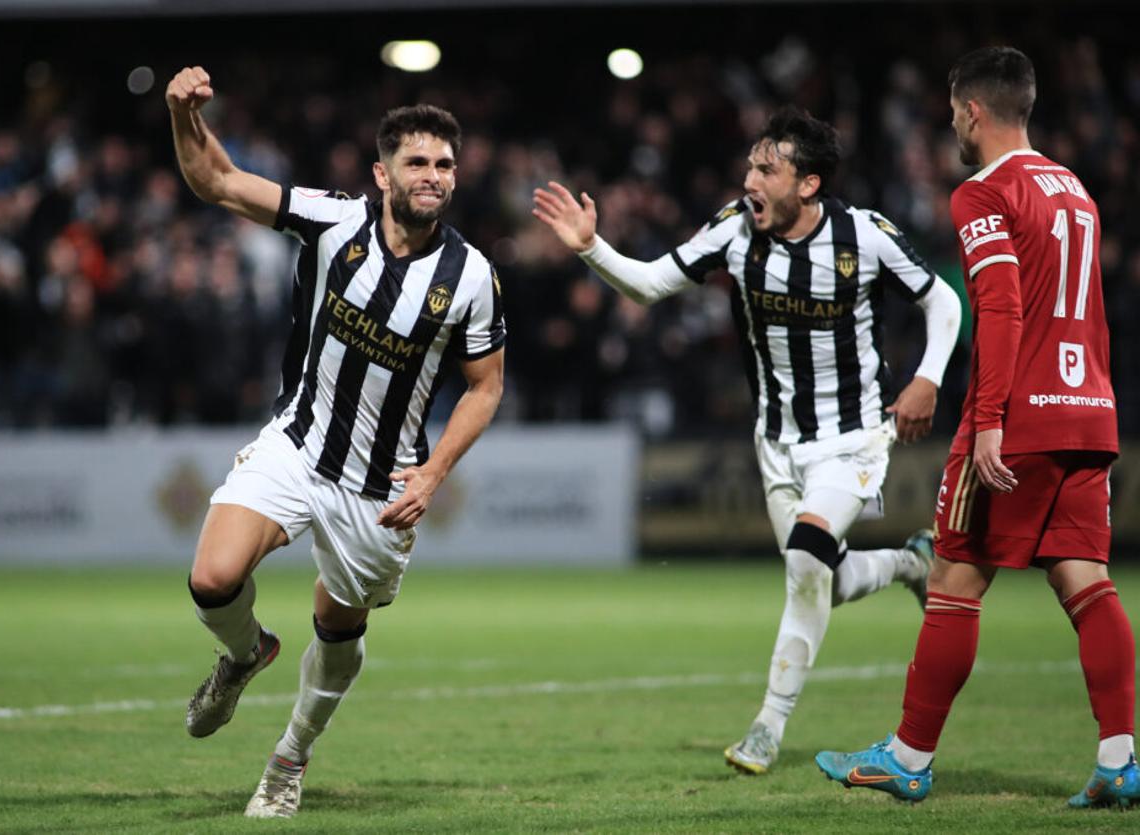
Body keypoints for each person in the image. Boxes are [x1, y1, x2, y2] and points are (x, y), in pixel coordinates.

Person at [533, 106, 962, 775]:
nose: (750, 178)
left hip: (852, 439)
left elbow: (944, 302)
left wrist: (927, 379)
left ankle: (768, 724)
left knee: (804, 560)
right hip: (776, 442)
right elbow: (648, 285)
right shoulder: (736, 231)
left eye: (768, 168)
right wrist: (592, 246)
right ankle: (909, 564)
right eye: (751, 164)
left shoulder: (864, 236)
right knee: (820, 573)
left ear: (809, 184)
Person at [166, 66, 505, 818]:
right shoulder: (334, 220)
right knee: (212, 580)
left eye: (445, 164)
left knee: (336, 626)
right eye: (418, 162)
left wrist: (435, 473)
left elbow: (486, 387)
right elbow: (217, 181)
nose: (434, 176)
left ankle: (288, 759)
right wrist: (181, 114)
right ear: (382, 172)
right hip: (298, 442)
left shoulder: (472, 276)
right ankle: (247, 651)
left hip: (380, 487)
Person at [816, 46, 1137, 807]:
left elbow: (999, 307)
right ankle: (1122, 759)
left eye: (953, 111)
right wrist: (1093, 403)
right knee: (1088, 583)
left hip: (1017, 418)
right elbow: (1088, 310)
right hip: (1088, 411)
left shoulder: (982, 193)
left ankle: (907, 756)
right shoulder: (1077, 191)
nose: (951, 124)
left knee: (954, 579)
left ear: (974, 112)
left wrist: (987, 418)